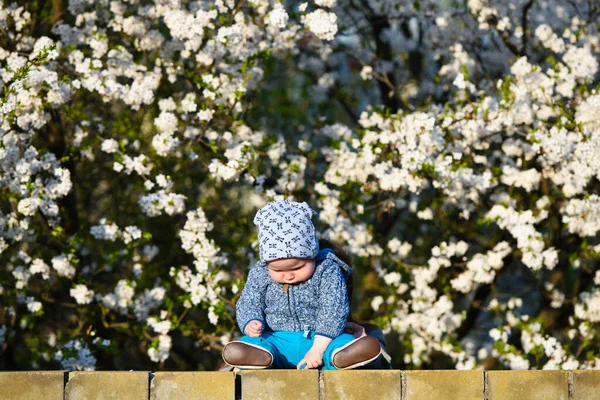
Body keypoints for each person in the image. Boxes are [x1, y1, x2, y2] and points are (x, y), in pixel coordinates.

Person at [222, 199, 382, 370]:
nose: (289, 276)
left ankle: (342, 358)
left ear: (313, 255)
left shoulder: (326, 270)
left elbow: (333, 309)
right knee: (251, 342)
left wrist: (317, 350)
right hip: (277, 340)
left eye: (298, 267)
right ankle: (258, 357)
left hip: (322, 339)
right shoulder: (260, 273)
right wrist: (250, 322)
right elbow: (249, 302)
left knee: (341, 342)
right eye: (277, 270)